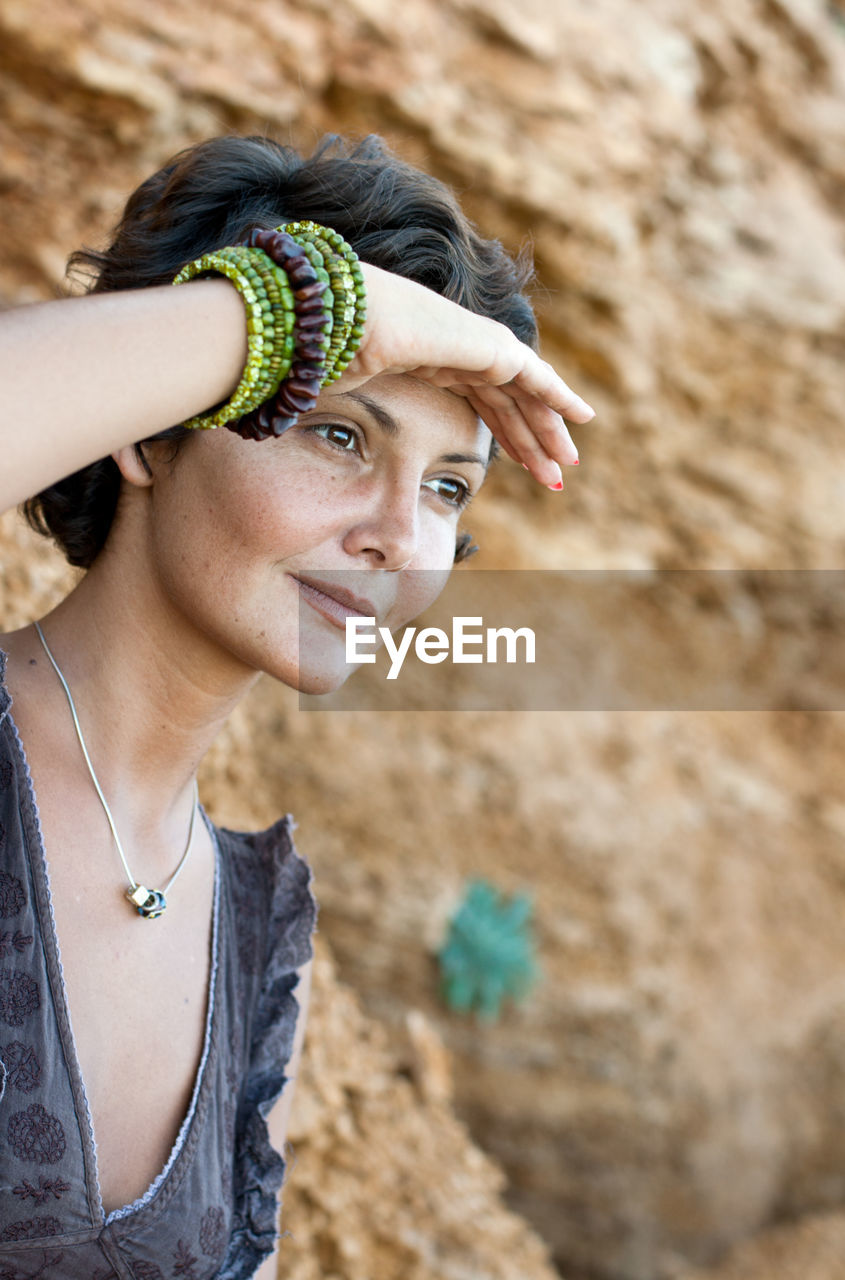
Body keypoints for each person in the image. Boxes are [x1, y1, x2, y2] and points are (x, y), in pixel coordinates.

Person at [0, 134, 593, 1276]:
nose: (399, 537)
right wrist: (309, 304)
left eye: (446, 487)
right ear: (143, 426)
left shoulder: (255, 935)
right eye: (338, 432)